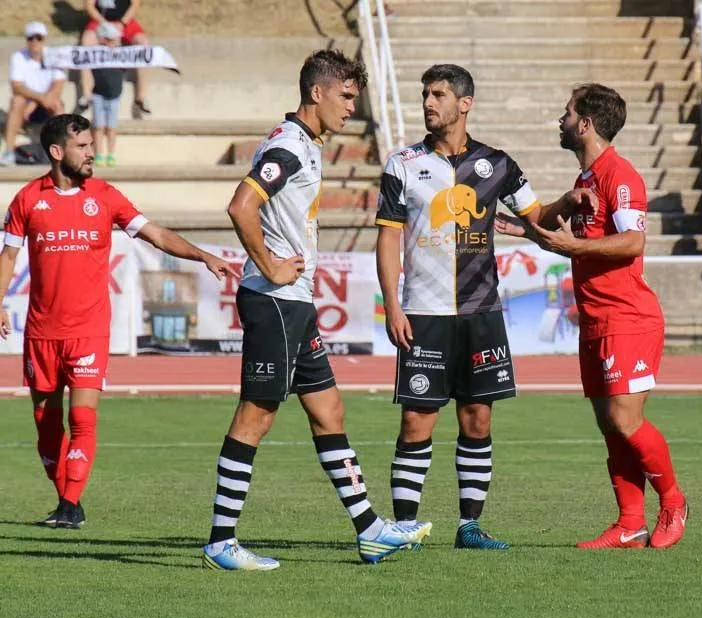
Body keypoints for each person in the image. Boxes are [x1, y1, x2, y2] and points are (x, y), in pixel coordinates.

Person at [200, 50, 431, 572]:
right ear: (317, 92)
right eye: (347, 96)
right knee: (255, 416)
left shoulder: (307, 144)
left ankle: (370, 532)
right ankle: (221, 541)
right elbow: (241, 205)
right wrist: (270, 265)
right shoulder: (289, 145)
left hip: (295, 306)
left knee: (329, 412)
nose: (353, 107)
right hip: (275, 302)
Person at [0, 113, 236, 528]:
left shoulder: (106, 196)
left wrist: (203, 255)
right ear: (57, 152)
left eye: (92, 145)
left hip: (89, 330)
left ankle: (72, 505)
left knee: (83, 418)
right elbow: (7, 257)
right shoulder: (26, 201)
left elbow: (157, 234)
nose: (93, 153)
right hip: (41, 331)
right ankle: (65, 501)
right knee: (45, 421)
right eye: (83, 147)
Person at [495, 83, 688, 549]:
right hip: (596, 318)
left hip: (628, 316)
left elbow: (632, 243)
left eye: (566, 114)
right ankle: (629, 522)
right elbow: (562, 238)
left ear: (585, 124)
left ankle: (674, 501)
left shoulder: (619, 176)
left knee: (626, 421)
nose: (560, 121)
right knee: (609, 425)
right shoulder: (585, 182)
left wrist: (572, 246)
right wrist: (522, 228)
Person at [375, 64, 549, 550]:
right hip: (424, 314)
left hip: (481, 313)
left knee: (478, 419)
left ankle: (468, 526)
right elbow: (388, 240)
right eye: (425, 94)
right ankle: (405, 528)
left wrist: (576, 202)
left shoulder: (499, 164)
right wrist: (392, 304)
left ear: (464, 104)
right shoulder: (403, 163)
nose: (428, 103)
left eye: (438, 95)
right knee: (416, 421)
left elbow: (537, 217)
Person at [1, 21, 66, 166]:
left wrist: (36, 102)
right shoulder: (18, 56)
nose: (35, 42)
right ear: (27, 40)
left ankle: (61, 153)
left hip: (44, 103)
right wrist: (38, 100)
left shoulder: (54, 56)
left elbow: (58, 85)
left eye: (39, 38)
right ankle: (9, 151)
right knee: (17, 101)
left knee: (57, 104)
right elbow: (16, 87)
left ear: (44, 39)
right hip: (27, 104)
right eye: (31, 38)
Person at [77, 0, 151, 118]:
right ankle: (86, 94)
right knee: (86, 44)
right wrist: (104, 23)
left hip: (124, 22)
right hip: (100, 22)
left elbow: (135, 4)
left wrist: (122, 23)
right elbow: (89, 6)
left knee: (144, 45)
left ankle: (141, 96)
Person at [90, 22, 125, 166]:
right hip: (98, 94)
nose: (113, 43)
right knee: (98, 125)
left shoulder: (121, 54)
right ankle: (98, 153)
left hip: (114, 94)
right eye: (109, 39)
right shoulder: (94, 54)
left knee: (111, 126)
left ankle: (111, 154)